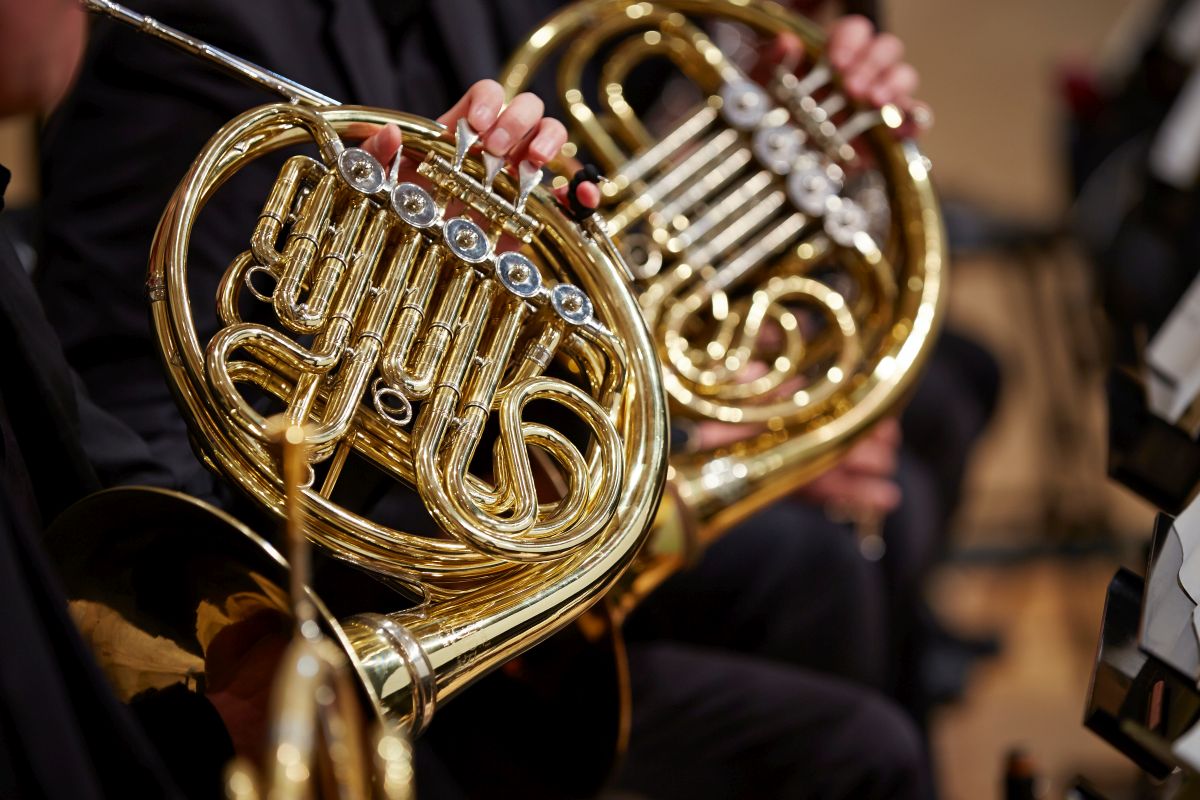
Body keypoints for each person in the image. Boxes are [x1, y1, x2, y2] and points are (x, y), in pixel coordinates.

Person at [37, 1, 936, 797]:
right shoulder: (207, 28)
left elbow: (603, 238)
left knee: (835, 586)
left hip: (451, 547)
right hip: (288, 628)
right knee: (857, 728)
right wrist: (389, 314)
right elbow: (135, 410)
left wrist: (794, 104)